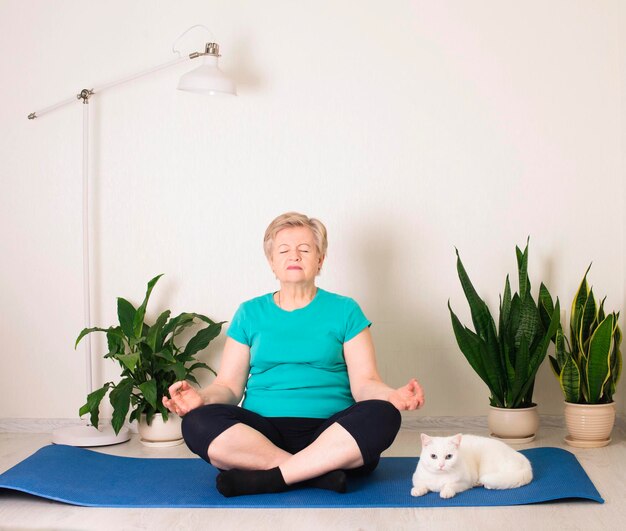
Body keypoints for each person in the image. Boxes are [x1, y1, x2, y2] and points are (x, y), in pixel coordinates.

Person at [163, 212, 425, 497]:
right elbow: (228, 387)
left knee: (384, 415)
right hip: (259, 435)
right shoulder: (249, 313)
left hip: (331, 432)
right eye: (284, 250)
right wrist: (202, 399)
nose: (294, 257)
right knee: (195, 423)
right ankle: (316, 475)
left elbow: (365, 384)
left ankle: (268, 478)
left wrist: (391, 396)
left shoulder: (346, 310)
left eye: (305, 250)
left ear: (320, 260)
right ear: (272, 262)